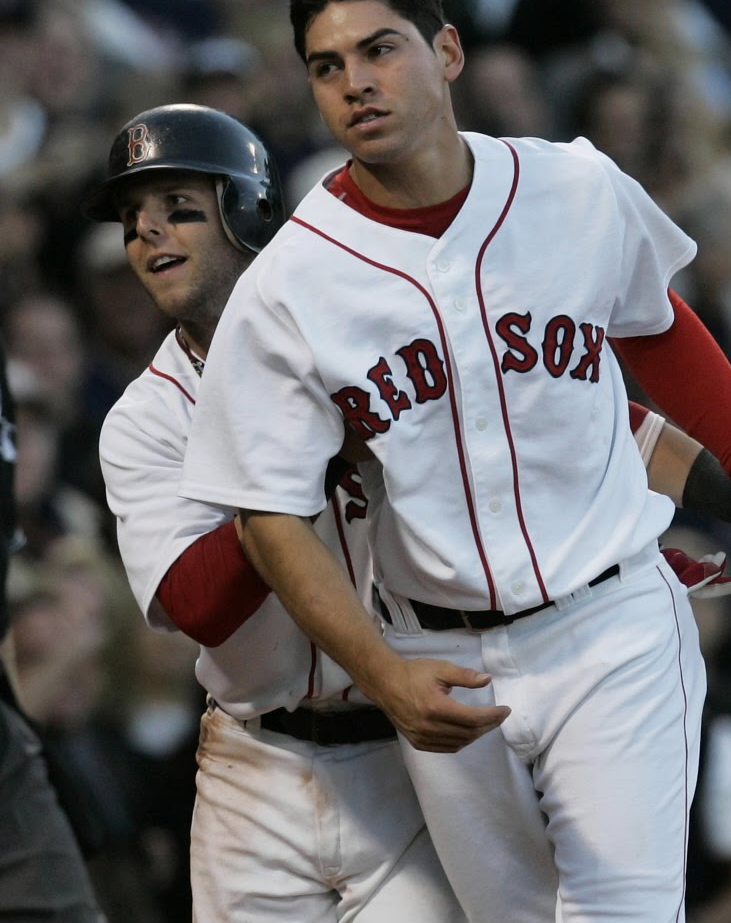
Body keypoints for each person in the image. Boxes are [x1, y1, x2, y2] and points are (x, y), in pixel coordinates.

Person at [177, 0, 731, 923]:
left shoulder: (572, 186)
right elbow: (268, 518)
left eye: (380, 49)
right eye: (327, 66)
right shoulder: (289, 282)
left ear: (446, 53)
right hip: (436, 653)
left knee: (619, 909)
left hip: (610, 620)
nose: (356, 81)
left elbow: (654, 322)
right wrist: (380, 672)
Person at [82, 102, 466, 923]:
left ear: (248, 212)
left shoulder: (364, 342)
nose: (147, 232)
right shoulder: (145, 417)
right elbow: (196, 605)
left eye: (179, 207)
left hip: (413, 753)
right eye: (132, 219)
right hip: (254, 766)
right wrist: (315, 461)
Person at [0, 340, 104, 921]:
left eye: (36, 429)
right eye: (12, 429)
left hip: (94, 771)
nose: (23, 447)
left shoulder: (78, 529)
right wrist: (76, 645)